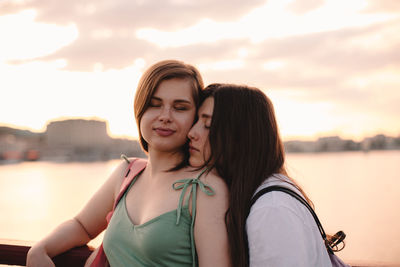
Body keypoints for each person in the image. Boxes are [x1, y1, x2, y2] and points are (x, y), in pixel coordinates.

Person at [26, 60, 230, 267]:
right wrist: (40, 250)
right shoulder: (128, 172)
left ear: (195, 116)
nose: (165, 116)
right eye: (154, 104)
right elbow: (82, 226)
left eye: (180, 107)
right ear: (140, 109)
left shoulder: (204, 188)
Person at [187, 83, 332, 267]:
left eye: (207, 124)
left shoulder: (272, 209)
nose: (191, 133)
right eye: (196, 122)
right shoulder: (261, 195)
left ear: (240, 136)